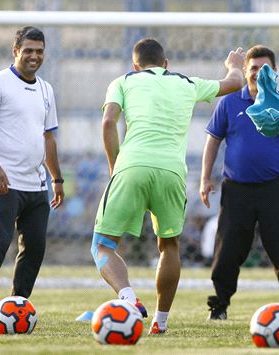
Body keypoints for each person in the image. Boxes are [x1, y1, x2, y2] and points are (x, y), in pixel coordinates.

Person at [92, 38, 244, 335]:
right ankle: (160, 323)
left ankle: (128, 300)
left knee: (102, 244)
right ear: (166, 65)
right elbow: (234, 83)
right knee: (169, 246)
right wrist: (234, 66)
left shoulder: (123, 81)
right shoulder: (186, 83)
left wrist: (115, 165)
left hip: (132, 167)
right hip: (172, 172)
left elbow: (109, 122)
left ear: (135, 66)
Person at [200, 45, 279, 321]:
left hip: (273, 188)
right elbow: (213, 140)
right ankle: (219, 305)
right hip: (236, 189)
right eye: (253, 69)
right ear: (245, 72)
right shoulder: (229, 103)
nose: (258, 74)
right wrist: (204, 178)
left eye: (265, 69)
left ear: (275, 74)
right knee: (228, 249)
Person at [0, 26, 65, 325]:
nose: (34, 56)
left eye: (39, 51)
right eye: (28, 51)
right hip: (5, 182)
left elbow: (48, 138)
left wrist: (57, 179)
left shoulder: (46, 89)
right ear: (16, 51)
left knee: (34, 248)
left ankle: (17, 306)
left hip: (37, 185)